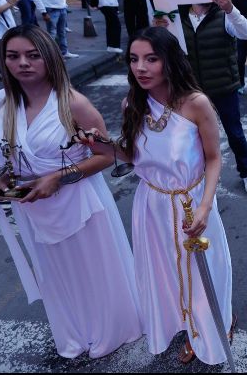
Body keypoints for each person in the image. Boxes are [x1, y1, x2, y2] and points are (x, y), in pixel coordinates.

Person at [0, 25, 142, 359]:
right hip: (33, 207)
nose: (22, 63)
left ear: (49, 57)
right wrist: (2, 180)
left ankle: (111, 329)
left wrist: (59, 177)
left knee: (93, 271)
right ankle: (77, 330)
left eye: (32, 55)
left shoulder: (72, 104)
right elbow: (12, 154)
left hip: (78, 203)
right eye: (13, 56)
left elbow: (106, 154)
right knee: (56, 275)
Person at [78, 27, 233, 365]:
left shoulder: (196, 103)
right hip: (151, 204)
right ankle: (184, 321)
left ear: (169, 61)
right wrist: (101, 145)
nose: (141, 67)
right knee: (165, 271)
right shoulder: (132, 103)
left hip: (192, 202)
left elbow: (213, 157)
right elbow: (133, 156)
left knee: (206, 267)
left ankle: (212, 326)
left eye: (151, 59)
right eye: (134, 59)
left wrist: (206, 205)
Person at [153, 0, 247, 193]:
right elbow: (162, 48)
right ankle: (198, 177)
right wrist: (158, 28)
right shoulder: (178, 17)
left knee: (234, 133)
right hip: (192, 90)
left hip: (223, 87)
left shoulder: (223, 16)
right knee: (191, 137)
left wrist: (230, 9)